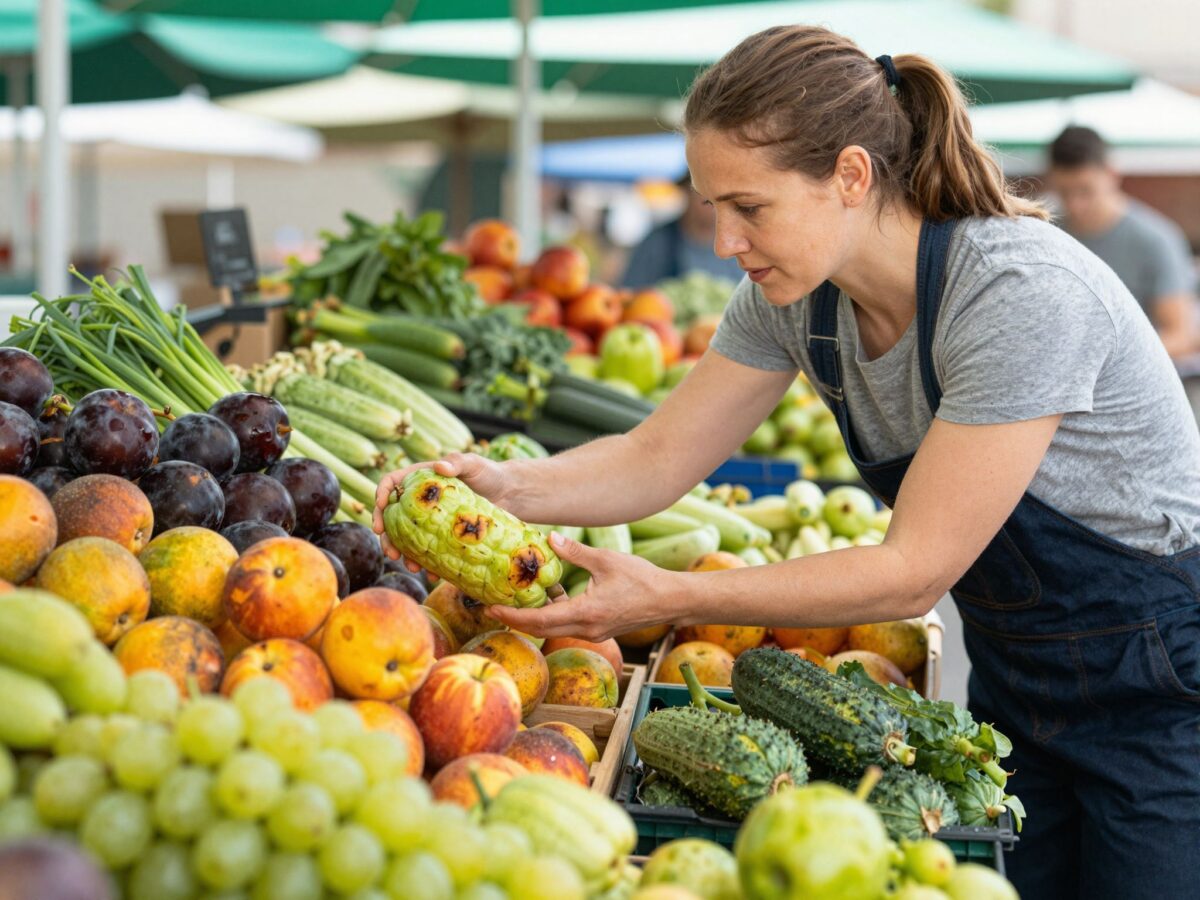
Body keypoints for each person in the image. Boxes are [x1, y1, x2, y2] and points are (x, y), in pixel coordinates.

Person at [375, 25, 1200, 899]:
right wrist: (507, 485)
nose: (727, 241)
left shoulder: (1016, 296)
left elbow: (910, 572)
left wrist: (675, 595)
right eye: (712, 210)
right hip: (1014, 677)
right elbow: (657, 458)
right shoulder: (792, 300)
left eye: (750, 207)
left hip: (1154, 686)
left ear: (850, 175)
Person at [1047, 125, 1199, 359]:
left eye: (1086, 191)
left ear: (1112, 175)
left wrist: (1106, 358)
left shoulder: (1155, 240)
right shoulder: (1048, 233)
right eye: (1065, 193)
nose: (1076, 205)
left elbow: (1180, 334)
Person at [620, 172, 745, 287]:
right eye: (706, 196)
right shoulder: (657, 243)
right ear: (687, 192)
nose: (714, 204)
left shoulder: (739, 245)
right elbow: (632, 292)